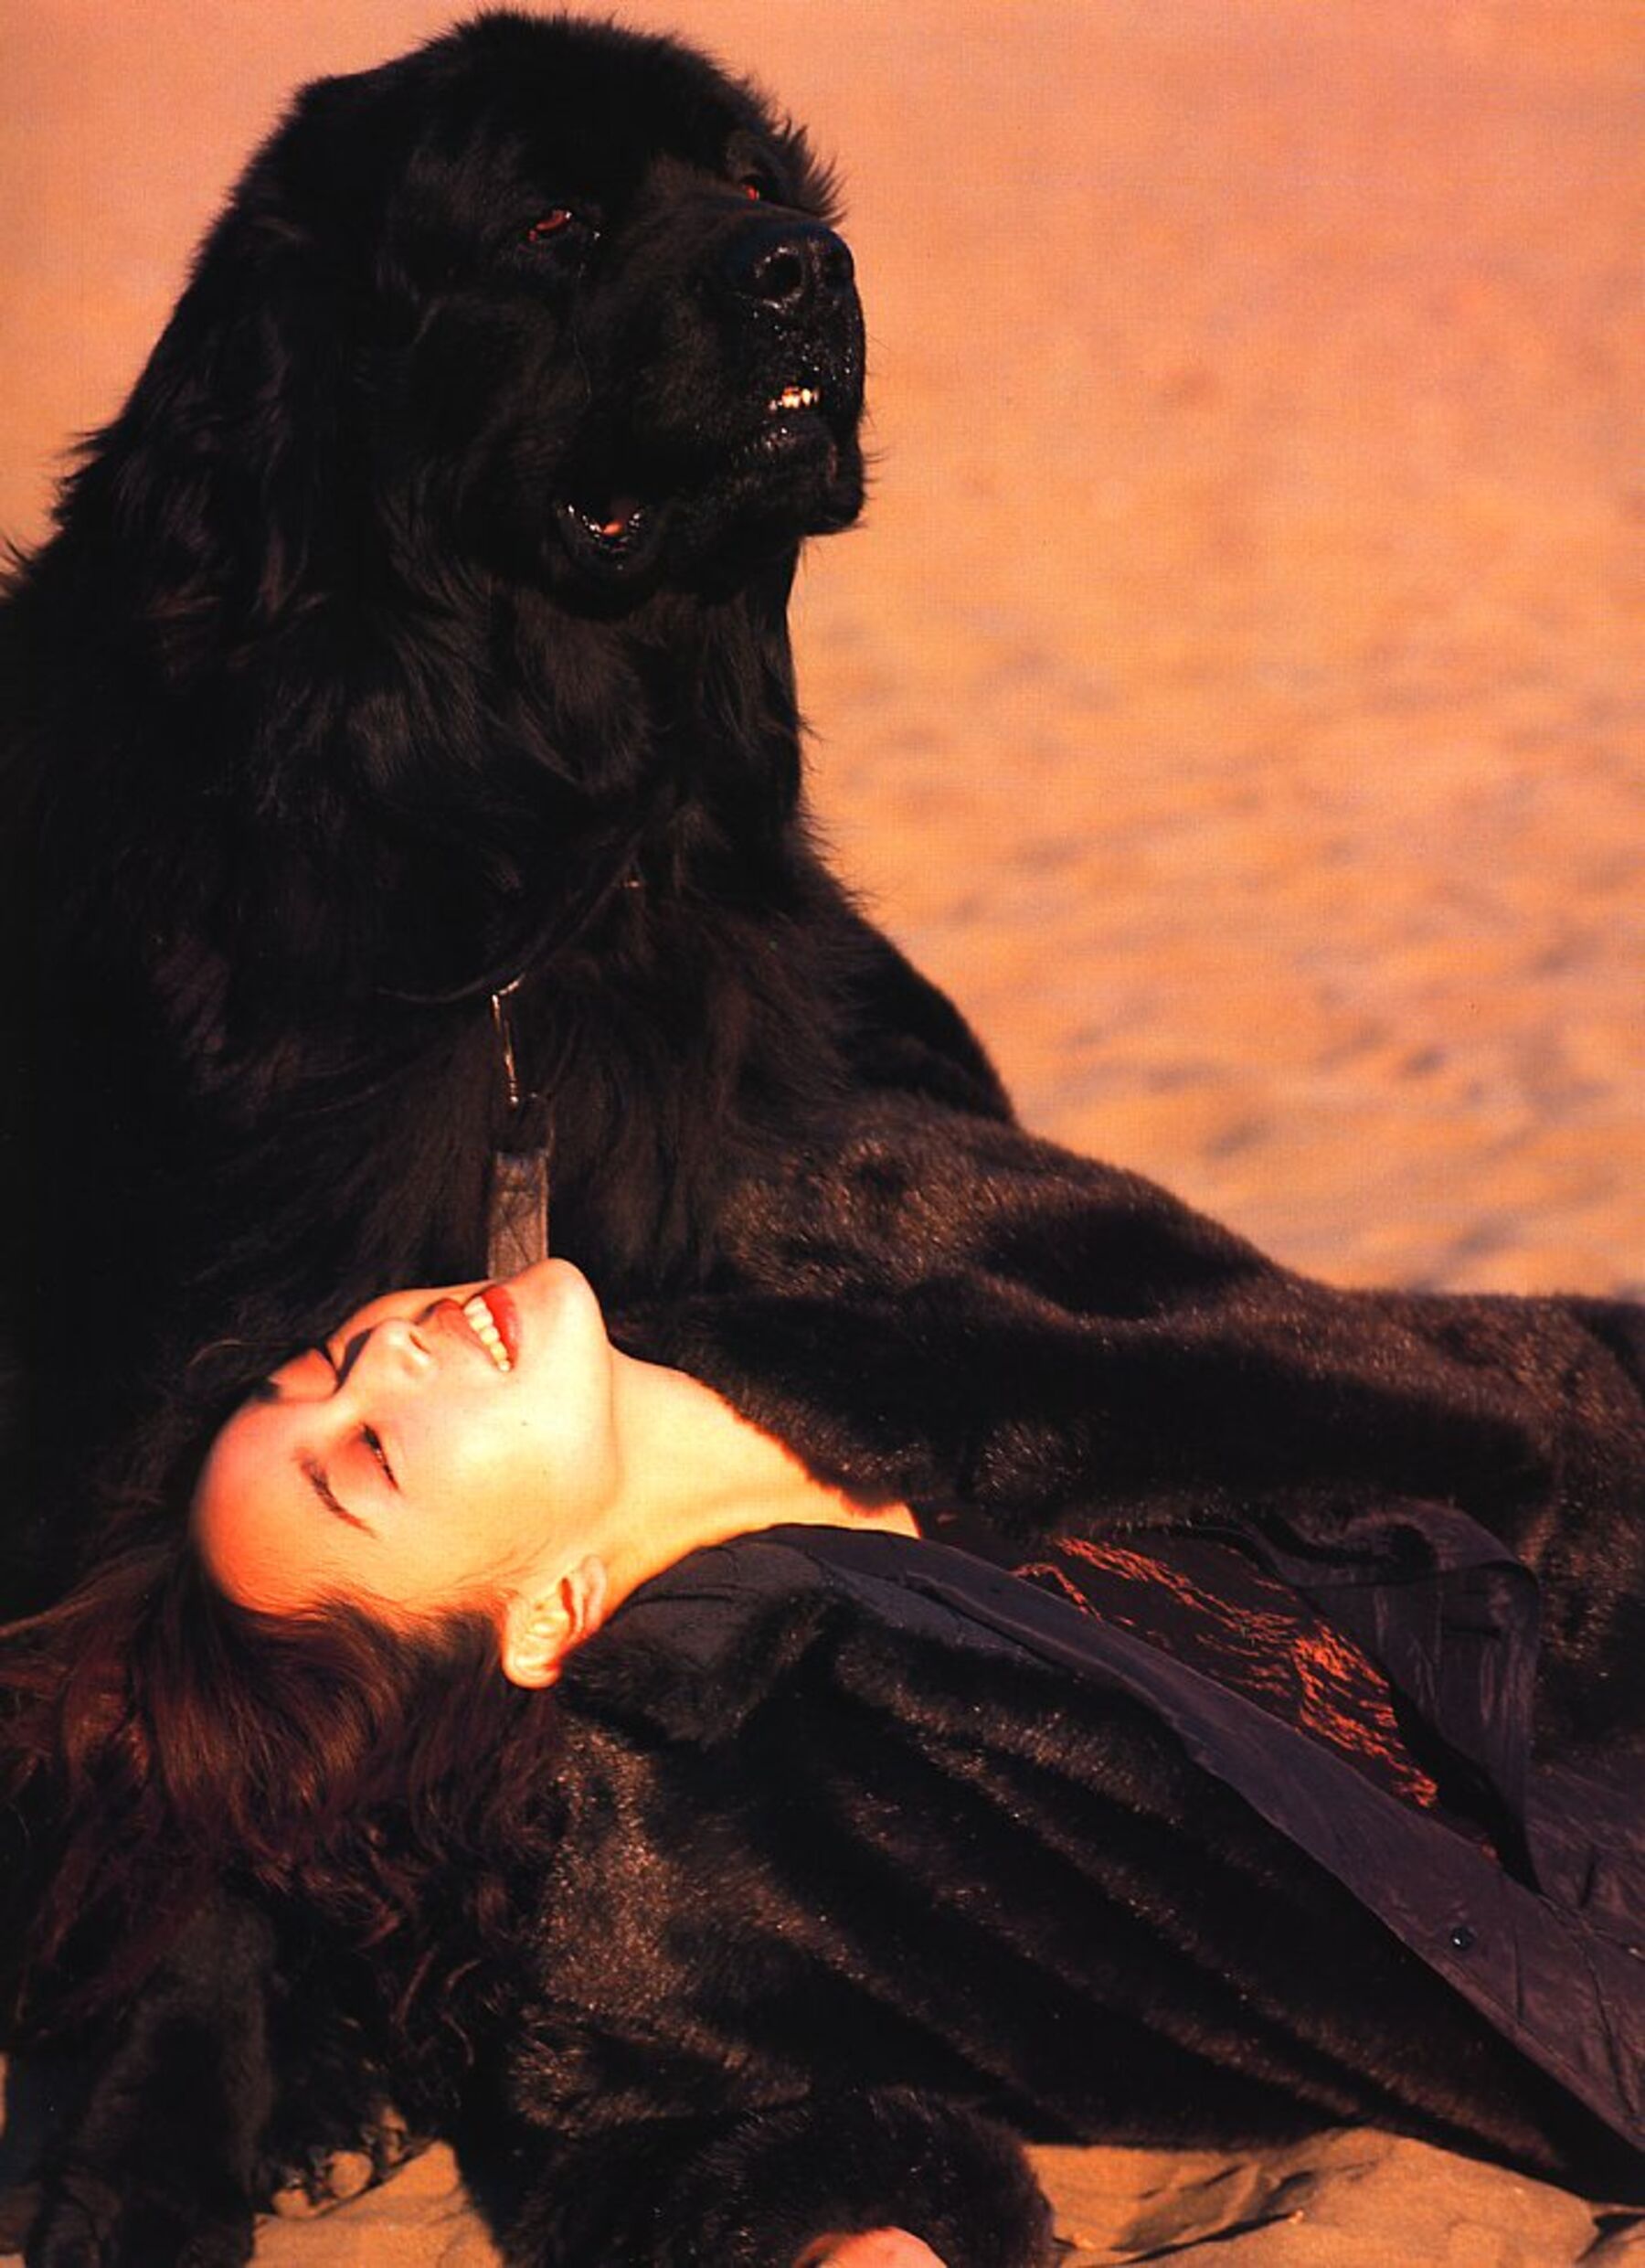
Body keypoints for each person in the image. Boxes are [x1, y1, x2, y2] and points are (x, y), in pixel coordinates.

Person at [7, 1257, 1643, 2266]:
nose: (383, 1351)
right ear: (546, 1617)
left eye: (320, 1362)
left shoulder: (819, 1251)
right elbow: (619, 2128)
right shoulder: (698, 1808)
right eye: (366, 1451)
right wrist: (846, 2233)